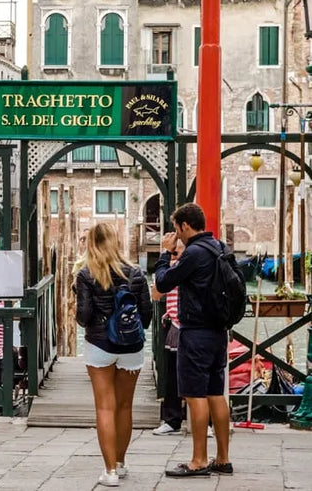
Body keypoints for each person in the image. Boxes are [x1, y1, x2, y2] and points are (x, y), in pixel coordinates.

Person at [155, 202, 233, 477]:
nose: (176, 234)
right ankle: (223, 458)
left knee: (195, 395)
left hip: (195, 332)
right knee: (215, 394)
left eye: (177, 229)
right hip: (218, 333)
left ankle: (198, 459)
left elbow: (163, 283)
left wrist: (165, 254)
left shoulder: (194, 253)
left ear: (185, 226)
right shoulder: (220, 247)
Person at [75, 223, 152, 487]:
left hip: (99, 345)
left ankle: (109, 472)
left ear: (91, 243)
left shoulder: (86, 274)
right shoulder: (137, 273)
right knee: (125, 406)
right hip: (131, 346)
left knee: (105, 407)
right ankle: (120, 462)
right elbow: (147, 317)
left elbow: (83, 318)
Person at [151, 239, 184, 436]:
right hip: (175, 325)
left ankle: (201, 422)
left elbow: (156, 292)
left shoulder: (186, 265)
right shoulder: (173, 269)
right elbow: (156, 294)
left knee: (192, 376)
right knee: (173, 376)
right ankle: (173, 419)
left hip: (191, 325)